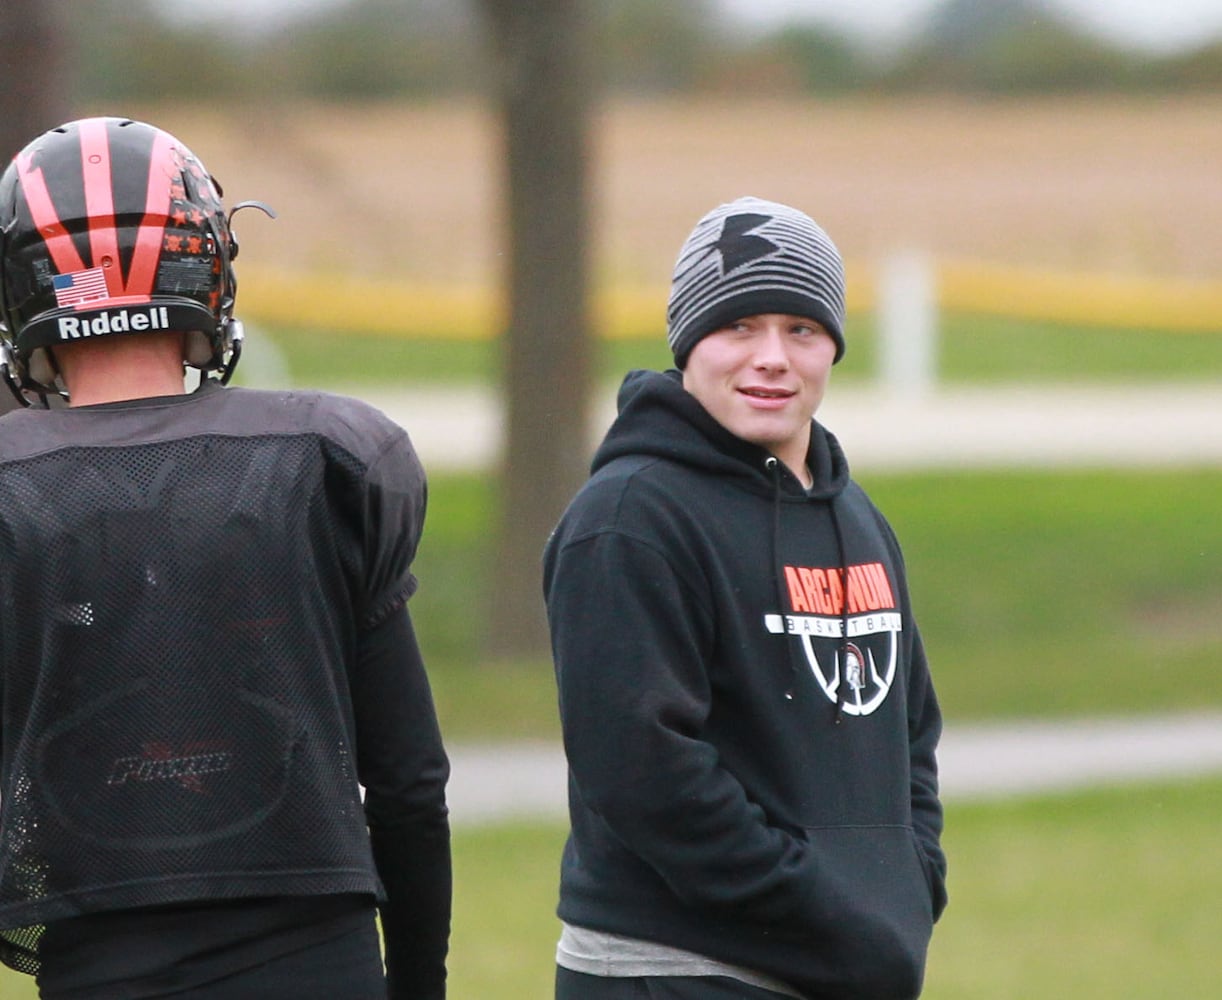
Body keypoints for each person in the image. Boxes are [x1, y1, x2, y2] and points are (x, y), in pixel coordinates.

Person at [0, 117, 450, 999]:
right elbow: (408, 779)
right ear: (204, 266)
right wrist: (421, 982)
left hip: (101, 969)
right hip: (320, 963)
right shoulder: (326, 459)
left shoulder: (15, 488)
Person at [544, 196, 948, 999]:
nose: (772, 358)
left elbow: (909, 733)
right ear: (689, 342)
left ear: (833, 345)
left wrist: (908, 881)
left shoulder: (855, 516)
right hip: (679, 969)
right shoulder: (629, 520)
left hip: (838, 961)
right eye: (739, 327)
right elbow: (645, 775)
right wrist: (824, 909)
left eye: (800, 330)